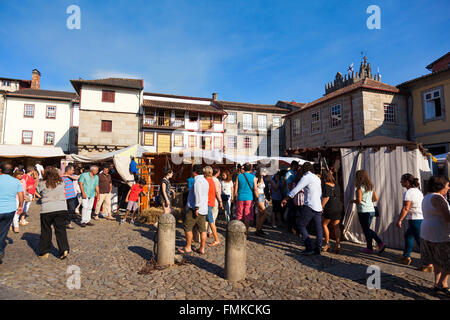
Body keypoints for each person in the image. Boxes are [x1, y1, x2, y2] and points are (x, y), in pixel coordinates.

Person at [282, 162, 323, 255]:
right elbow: (320, 193)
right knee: (318, 228)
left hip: (310, 205)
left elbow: (295, 190)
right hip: (318, 206)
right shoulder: (317, 177)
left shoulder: (306, 177)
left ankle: (309, 247)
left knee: (300, 224)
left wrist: (285, 198)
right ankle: (318, 248)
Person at [420, 176, 450, 295]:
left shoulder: (427, 196)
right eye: (447, 185)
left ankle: (438, 283)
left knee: (436, 260)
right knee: (447, 261)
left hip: (428, 231)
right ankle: (441, 283)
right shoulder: (438, 198)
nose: (448, 188)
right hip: (440, 233)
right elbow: (447, 218)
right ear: (440, 186)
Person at [396, 174, 432, 271]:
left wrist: (399, 220)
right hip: (419, 218)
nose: (401, 182)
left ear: (407, 182)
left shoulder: (408, 193)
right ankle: (406, 256)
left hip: (415, 219)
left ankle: (428, 264)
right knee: (408, 235)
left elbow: (406, 208)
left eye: (402, 180)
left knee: (420, 242)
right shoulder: (418, 191)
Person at [37, 167, 70, 259]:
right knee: (61, 230)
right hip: (61, 208)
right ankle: (64, 249)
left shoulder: (42, 183)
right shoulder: (61, 182)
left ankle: (44, 252)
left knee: (46, 230)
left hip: (47, 209)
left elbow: (38, 191)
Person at [352, 170, 385, 254]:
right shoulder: (370, 187)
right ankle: (369, 248)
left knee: (366, 229)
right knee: (367, 230)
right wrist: (368, 201)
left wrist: (352, 201)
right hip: (371, 210)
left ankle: (380, 243)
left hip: (363, 211)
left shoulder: (359, 188)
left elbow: (359, 200)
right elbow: (375, 198)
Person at [178, 164, 209, 255]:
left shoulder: (197, 181)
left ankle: (188, 247)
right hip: (203, 208)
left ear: (194, 172)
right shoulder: (205, 181)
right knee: (202, 229)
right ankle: (202, 248)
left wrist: (196, 207)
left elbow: (197, 195)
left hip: (194, 208)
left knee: (187, 227)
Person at [0, 163, 24, 264]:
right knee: (3, 232)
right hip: (10, 210)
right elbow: (21, 195)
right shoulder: (16, 181)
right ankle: (0, 251)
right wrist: (20, 206)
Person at [321, 170, 343, 254]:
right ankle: (338, 245)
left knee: (324, 224)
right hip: (338, 206)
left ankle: (327, 244)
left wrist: (321, 207)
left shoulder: (326, 186)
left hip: (330, 207)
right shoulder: (337, 185)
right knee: (336, 226)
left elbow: (326, 198)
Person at [234, 163, 258, 234]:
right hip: (249, 198)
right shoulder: (253, 177)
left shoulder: (239, 176)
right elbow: (255, 189)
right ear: (250, 168)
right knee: (247, 215)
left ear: (243, 168)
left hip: (240, 197)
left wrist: (235, 196)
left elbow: (236, 187)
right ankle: (246, 231)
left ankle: (238, 230)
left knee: (239, 215)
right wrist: (257, 198)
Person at [204, 166, 221, 247]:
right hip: (210, 202)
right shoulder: (212, 180)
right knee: (210, 221)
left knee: (211, 221)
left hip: (207, 203)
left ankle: (216, 239)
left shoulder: (207, 181)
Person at [61, 165, 79, 229]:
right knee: (71, 209)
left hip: (73, 195)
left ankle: (66, 221)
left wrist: (68, 175)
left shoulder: (72, 176)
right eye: (72, 170)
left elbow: (77, 178)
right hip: (67, 196)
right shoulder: (62, 177)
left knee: (74, 206)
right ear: (68, 170)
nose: (73, 171)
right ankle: (67, 222)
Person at [285, 161, 300, 234]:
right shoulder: (289, 174)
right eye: (296, 166)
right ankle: (289, 227)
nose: (298, 167)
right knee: (291, 212)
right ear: (293, 166)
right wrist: (294, 193)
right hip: (291, 195)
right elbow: (290, 185)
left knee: (293, 212)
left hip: (294, 195)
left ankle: (292, 227)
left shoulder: (294, 173)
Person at [208, 168, 223, 237]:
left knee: (207, 215)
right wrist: (220, 201)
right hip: (214, 199)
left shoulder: (207, 178)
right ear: (217, 173)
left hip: (207, 199)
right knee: (213, 215)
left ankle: (206, 230)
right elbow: (217, 191)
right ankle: (210, 231)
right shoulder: (216, 180)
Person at [254, 169, 269, 237]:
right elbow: (255, 188)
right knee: (265, 213)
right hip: (259, 196)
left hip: (262, 195)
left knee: (259, 214)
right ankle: (259, 228)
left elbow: (262, 189)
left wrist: (265, 198)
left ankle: (258, 229)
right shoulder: (256, 178)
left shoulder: (262, 178)